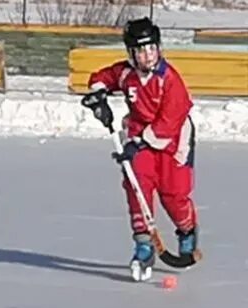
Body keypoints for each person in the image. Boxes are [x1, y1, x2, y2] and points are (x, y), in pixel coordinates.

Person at [80, 17, 199, 281]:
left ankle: (187, 229)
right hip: (139, 138)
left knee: (173, 194)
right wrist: (98, 95)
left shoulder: (170, 80)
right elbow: (102, 77)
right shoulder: (127, 74)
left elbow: (169, 122)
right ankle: (144, 245)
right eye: (141, 50)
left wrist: (140, 142)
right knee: (137, 188)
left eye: (151, 48)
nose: (148, 55)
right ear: (131, 53)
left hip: (173, 140)